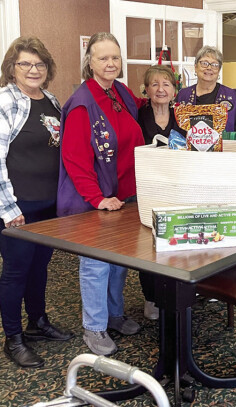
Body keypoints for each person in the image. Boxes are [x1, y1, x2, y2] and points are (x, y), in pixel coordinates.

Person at [57, 32, 146, 356]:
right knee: (96, 265)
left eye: (115, 57)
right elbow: (76, 160)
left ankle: (113, 314)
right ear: (90, 62)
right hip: (93, 199)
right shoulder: (82, 103)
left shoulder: (120, 92)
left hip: (121, 196)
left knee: (118, 263)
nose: (111, 63)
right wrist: (97, 199)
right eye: (103, 58)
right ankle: (93, 328)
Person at [0, 36, 73, 368]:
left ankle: (38, 321)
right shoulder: (5, 100)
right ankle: (13, 338)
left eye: (39, 64)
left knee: (40, 267)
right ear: (12, 67)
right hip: (19, 206)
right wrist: (7, 208)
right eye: (25, 63)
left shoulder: (51, 100)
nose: (33, 70)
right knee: (16, 272)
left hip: (48, 205)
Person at [138, 65, 181, 319]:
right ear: (147, 90)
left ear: (174, 90)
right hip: (147, 187)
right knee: (149, 244)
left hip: (176, 187)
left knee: (174, 242)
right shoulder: (137, 114)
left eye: (166, 84)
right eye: (154, 84)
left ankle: (175, 292)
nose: (160, 89)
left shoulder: (182, 116)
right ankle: (152, 297)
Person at [176, 46, 236, 131]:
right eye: (204, 63)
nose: (209, 68)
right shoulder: (183, 95)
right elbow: (175, 127)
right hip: (187, 143)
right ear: (195, 67)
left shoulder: (232, 95)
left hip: (225, 144)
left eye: (215, 65)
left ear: (219, 70)